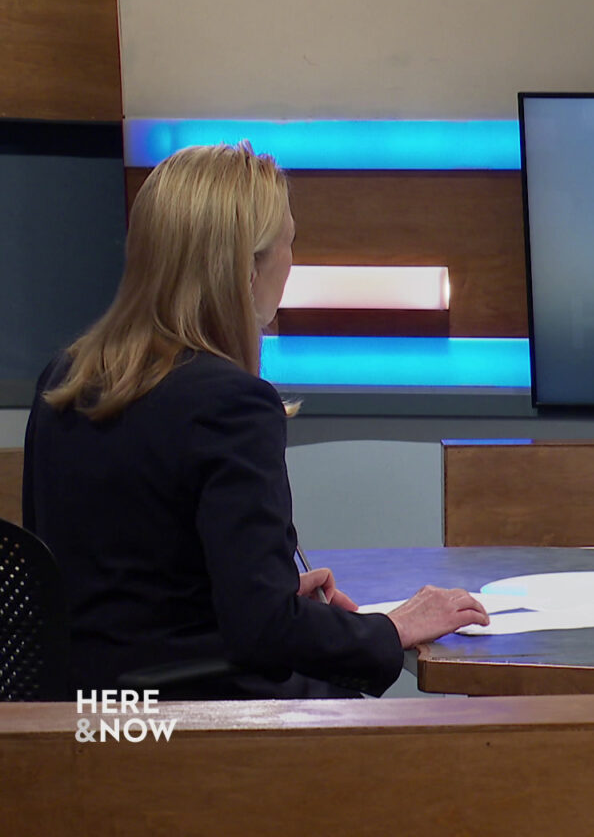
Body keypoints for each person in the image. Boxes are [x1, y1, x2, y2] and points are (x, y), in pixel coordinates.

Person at [22, 143, 489, 699]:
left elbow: (131, 587)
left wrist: (270, 589)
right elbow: (263, 632)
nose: (293, 261)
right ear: (247, 269)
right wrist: (391, 627)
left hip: (82, 726)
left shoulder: (65, 376)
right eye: (291, 241)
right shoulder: (231, 404)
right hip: (184, 731)